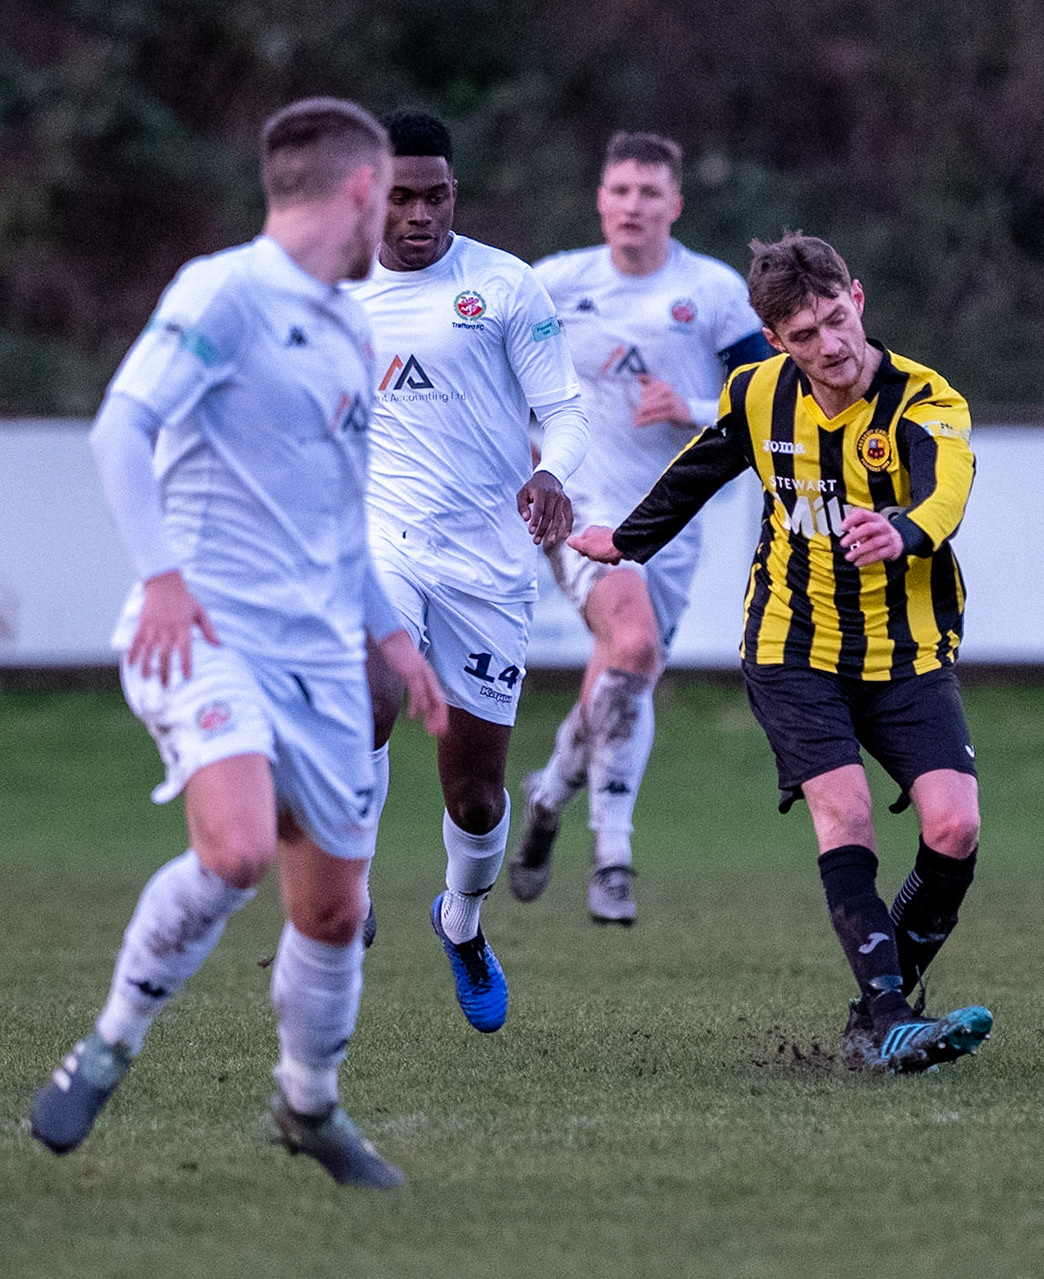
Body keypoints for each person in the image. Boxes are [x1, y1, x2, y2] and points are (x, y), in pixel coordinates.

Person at [29, 98, 448, 1187]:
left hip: (320, 658)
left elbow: (339, 518)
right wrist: (164, 575)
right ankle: (107, 1045)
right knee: (236, 850)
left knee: (334, 905)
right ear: (360, 189)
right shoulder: (227, 292)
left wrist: (396, 645)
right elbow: (123, 425)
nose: (394, 221)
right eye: (388, 197)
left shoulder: (350, 327)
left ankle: (309, 1108)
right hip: (208, 629)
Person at [568, 232, 992, 1074]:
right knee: (848, 814)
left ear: (859, 298)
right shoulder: (758, 392)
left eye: (837, 320)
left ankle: (878, 1011)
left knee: (955, 826)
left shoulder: (924, 398)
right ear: (776, 342)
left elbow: (945, 488)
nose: (830, 345)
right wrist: (627, 540)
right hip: (792, 646)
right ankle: (889, 1017)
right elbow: (703, 465)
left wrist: (903, 530)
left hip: (905, 650)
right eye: (805, 335)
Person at [347, 110, 590, 1033]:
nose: (419, 214)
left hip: (488, 562)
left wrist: (550, 472)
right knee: (369, 697)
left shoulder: (502, 284)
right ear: (370, 193)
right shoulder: (328, 290)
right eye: (402, 196)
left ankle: (461, 918)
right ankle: (348, 891)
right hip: (383, 541)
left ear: (455, 192)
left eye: (435, 195)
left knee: (477, 793)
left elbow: (563, 410)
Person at [507, 131, 772, 924]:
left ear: (675, 205)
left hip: (673, 521)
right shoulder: (554, 283)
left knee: (626, 669)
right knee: (632, 646)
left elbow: (768, 392)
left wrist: (690, 409)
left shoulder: (715, 291)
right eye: (620, 190)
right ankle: (613, 854)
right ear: (600, 198)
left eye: (649, 193)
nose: (633, 206)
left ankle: (552, 790)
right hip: (584, 511)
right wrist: (526, 450)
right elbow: (493, 374)